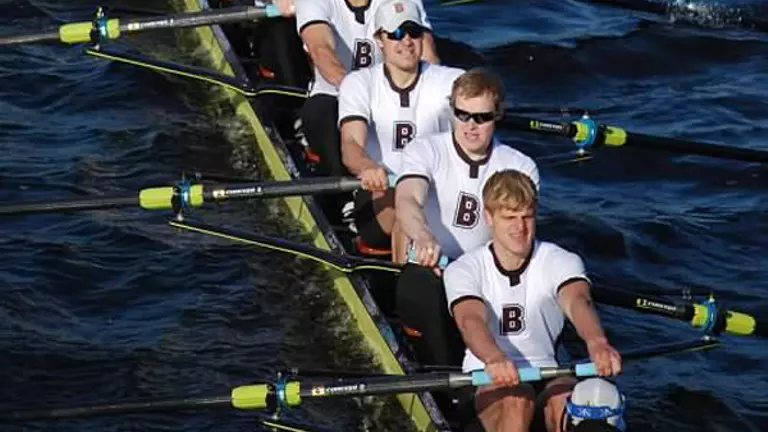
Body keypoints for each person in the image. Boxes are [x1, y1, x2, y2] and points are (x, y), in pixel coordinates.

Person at [443, 169, 622, 432]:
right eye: (510, 217)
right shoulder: (464, 268)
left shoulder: (559, 260)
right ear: (488, 218)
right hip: (486, 375)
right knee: (517, 399)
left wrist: (597, 342)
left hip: (546, 372)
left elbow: (577, 301)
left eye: (527, 216)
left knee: (578, 399)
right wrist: (494, 357)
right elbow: (470, 321)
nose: (520, 227)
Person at [393, 68, 539, 367]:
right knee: (430, 293)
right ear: (452, 111)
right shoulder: (425, 149)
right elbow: (407, 198)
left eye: (482, 117)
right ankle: (447, 385)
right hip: (429, 266)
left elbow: (519, 235)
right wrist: (423, 236)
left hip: (483, 277)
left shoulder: (520, 166)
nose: (470, 126)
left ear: (497, 115)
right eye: (462, 115)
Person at [338, 0, 463, 250]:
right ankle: (406, 282)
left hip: (433, 194)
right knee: (403, 210)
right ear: (380, 40)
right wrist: (367, 166)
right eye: (396, 33)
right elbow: (351, 145)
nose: (406, 41)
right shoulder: (359, 83)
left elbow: (482, 94)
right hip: (380, 193)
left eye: (413, 32)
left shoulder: (449, 81)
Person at [295, 0, 439, 179]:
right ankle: (340, 188)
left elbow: (427, 54)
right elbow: (320, 49)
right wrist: (355, 93)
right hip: (335, 92)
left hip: (392, 91)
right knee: (322, 110)